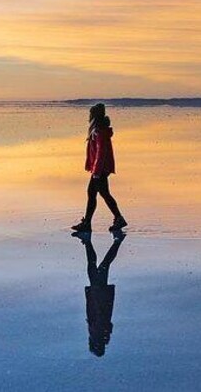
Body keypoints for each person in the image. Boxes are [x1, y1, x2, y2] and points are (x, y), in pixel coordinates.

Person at [72, 103, 127, 233]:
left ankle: (88, 223)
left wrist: (96, 172)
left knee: (93, 193)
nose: (88, 117)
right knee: (102, 193)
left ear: (94, 116)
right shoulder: (99, 130)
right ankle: (116, 219)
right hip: (102, 168)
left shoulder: (98, 131)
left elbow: (101, 153)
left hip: (100, 169)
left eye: (90, 115)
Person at [72, 230, 126, 356]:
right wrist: (94, 295)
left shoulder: (102, 333)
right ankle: (113, 241)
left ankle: (89, 240)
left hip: (99, 295)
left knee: (99, 265)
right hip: (98, 294)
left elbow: (97, 314)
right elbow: (97, 313)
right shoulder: (98, 333)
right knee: (100, 265)